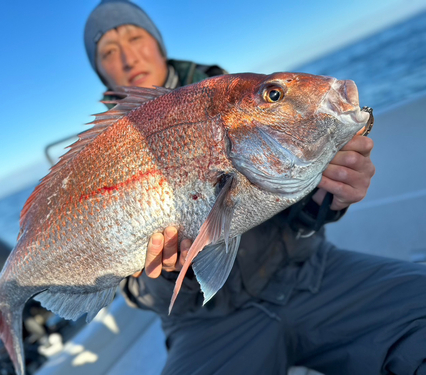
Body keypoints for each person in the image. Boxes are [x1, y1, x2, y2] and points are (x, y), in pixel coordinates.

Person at [84, 1, 426, 374]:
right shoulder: (93, 162)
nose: (129, 57)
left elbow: (293, 208)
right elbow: (128, 290)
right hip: (206, 323)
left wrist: (332, 193)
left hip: (309, 274)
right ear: (100, 70)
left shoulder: (236, 95)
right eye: (109, 52)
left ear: (159, 44)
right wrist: (168, 272)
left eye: (136, 37)